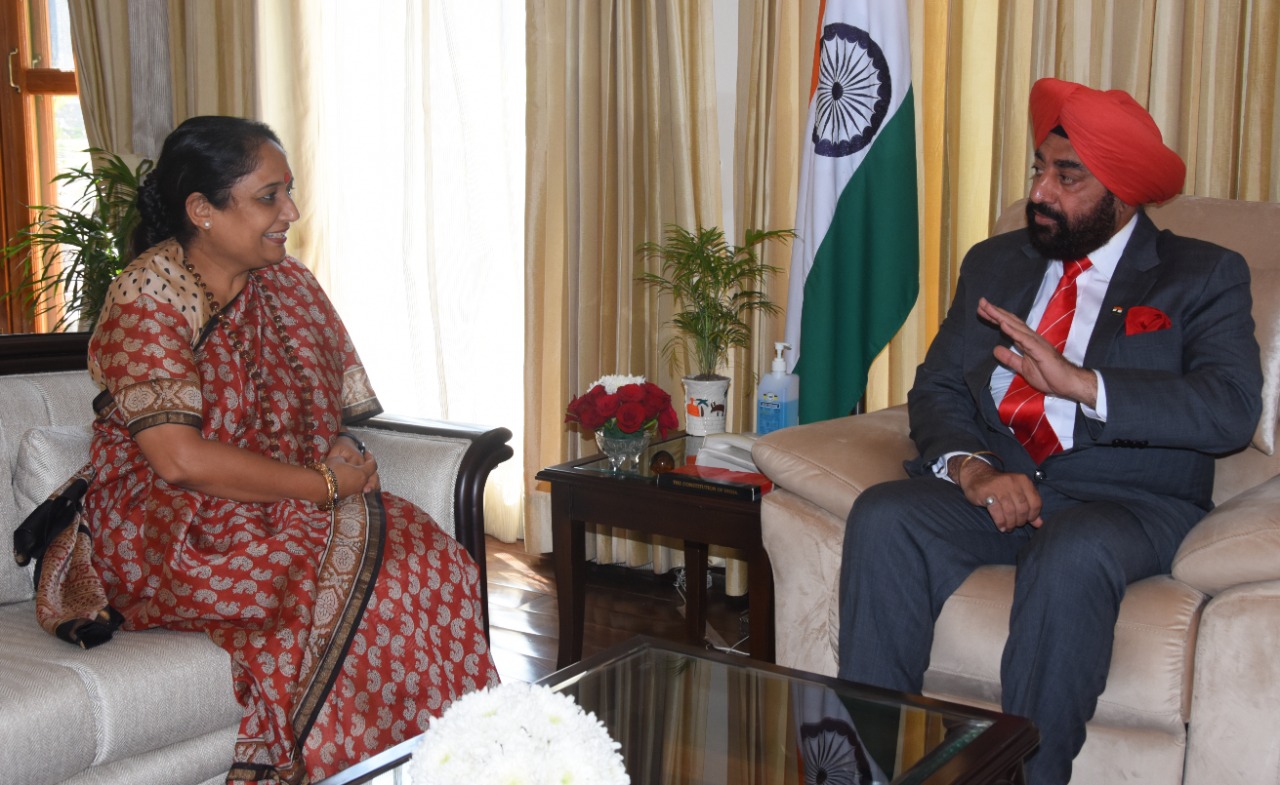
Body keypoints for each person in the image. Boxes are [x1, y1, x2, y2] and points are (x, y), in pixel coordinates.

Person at [30, 116, 499, 784]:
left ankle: (452, 762)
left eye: (289, 191)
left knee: (432, 559)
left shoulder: (289, 284)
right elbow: (178, 460)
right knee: (349, 580)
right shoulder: (148, 295)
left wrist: (339, 448)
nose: (291, 212)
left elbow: (322, 409)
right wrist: (325, 486)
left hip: (281, 499)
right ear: (203, 210)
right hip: (169, 522)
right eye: (269, 197)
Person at [837, 79, 1262, 785]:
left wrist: (1082, 384)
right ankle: (867, 767)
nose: (1041, 192)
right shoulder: (995, 263)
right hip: (1003, 481)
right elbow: (938, 388)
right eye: (1040, 168)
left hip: (1128, 502)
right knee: (885, 515)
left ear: (1122, 192)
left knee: (1071, 553)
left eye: (1068, 177)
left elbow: (1229, 409)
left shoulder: (1203, 274)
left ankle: (1026, 777)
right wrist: (973, 468)